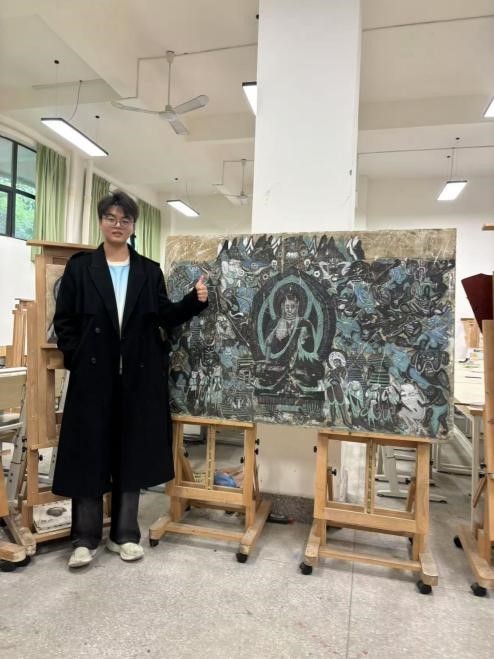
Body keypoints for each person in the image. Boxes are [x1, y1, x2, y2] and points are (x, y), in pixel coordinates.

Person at [53, 190, 208, 568]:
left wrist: (194, 301)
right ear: (101, 222)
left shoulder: (148, 271)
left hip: (138, 379)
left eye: (124, 219)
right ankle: (85, 538)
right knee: (89, 455)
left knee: (131, 455)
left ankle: (124, 535)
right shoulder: (80, 268)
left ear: (133, 226)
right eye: (111, 218)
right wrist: (76, 356)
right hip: (92, 378)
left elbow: (164, 316)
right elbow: (64, 321)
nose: (117, 224)